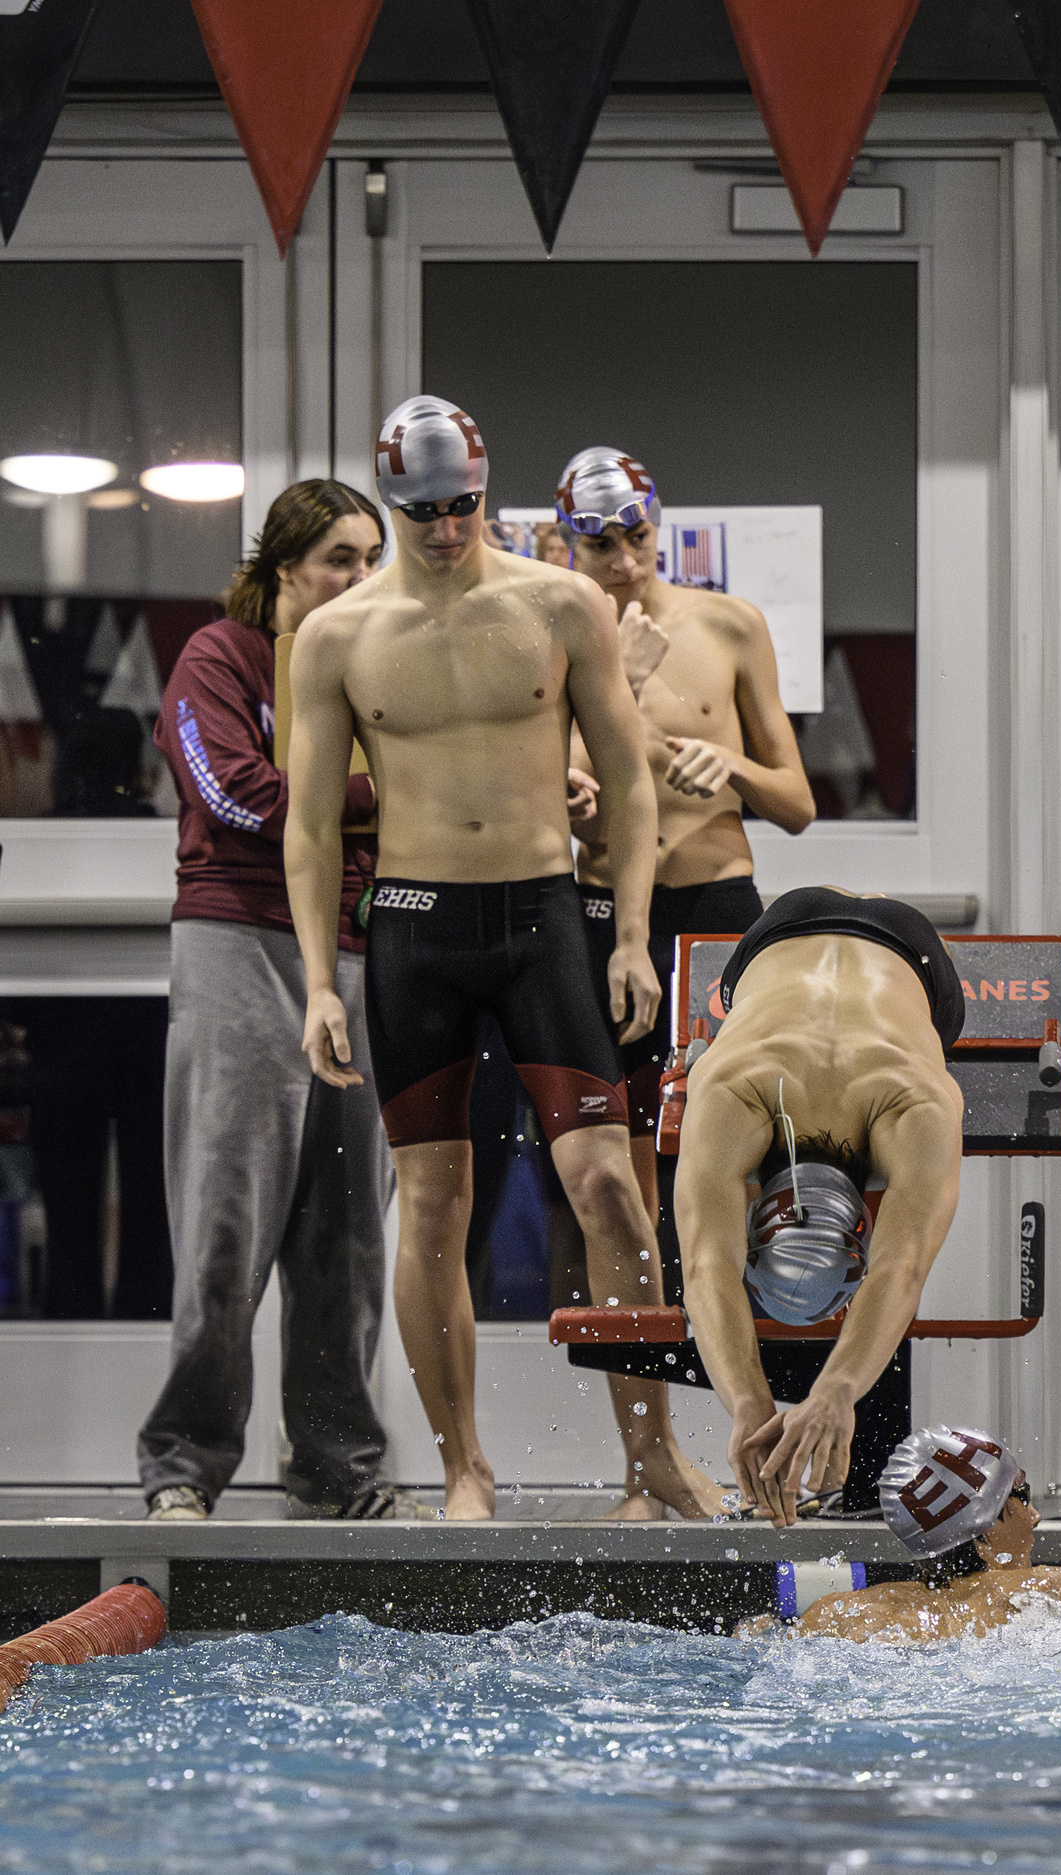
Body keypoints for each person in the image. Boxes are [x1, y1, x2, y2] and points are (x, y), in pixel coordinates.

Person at [284, 395, 726, 1522]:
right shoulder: (339, 635)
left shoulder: (561, 601)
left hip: (541, 925)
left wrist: (629, 936)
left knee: (611, 1195)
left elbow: (628, 780)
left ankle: (654, 1457)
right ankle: (463, 1467)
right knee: (433, 1208)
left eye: (463, 505)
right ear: (393, 505)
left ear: (489, 490)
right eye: (422, 511)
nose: (444, 528)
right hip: (415, 930)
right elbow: (310, 825)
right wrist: (315, 986)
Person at [137, 479, 428, 1522]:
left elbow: (441, 789)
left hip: (361, 949)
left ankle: (337, 1465)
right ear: (281, 569)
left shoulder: (376, 663)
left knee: (348, 1235)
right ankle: (184, 1464)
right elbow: (235, 795)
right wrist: (383, 797)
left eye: (368, 558)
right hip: (239, 944)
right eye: (337, 558)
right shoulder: (220, 657)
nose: (357, 577)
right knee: (226, 1224)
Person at [557, 446, 814, 1231]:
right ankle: (643, 1344)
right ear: (571, 543)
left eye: (638, 538)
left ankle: (732, 1341)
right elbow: (562, 799)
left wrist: (733, 763)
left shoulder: (730, 626)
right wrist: (621, 679)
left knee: (729, 1143)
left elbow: (797, 803)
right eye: (602, 546)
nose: (625, 561)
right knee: (619, 1171)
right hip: (604, 910)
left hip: (718, 901)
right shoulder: (553, 638)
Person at [675, 887, 967, 1528]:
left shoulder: (920, 1099)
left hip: (913, 956)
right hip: (776, 934)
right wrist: (780, 1402)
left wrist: (785, 1399)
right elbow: (901, 1267)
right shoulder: (735, 1084)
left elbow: (706, 1268)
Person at [756, 1469, 1061, 1642]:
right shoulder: (1060, 1586)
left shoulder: (836, 1611)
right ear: (982, 1535)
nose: (1035, 1515)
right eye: (1021, 1497)